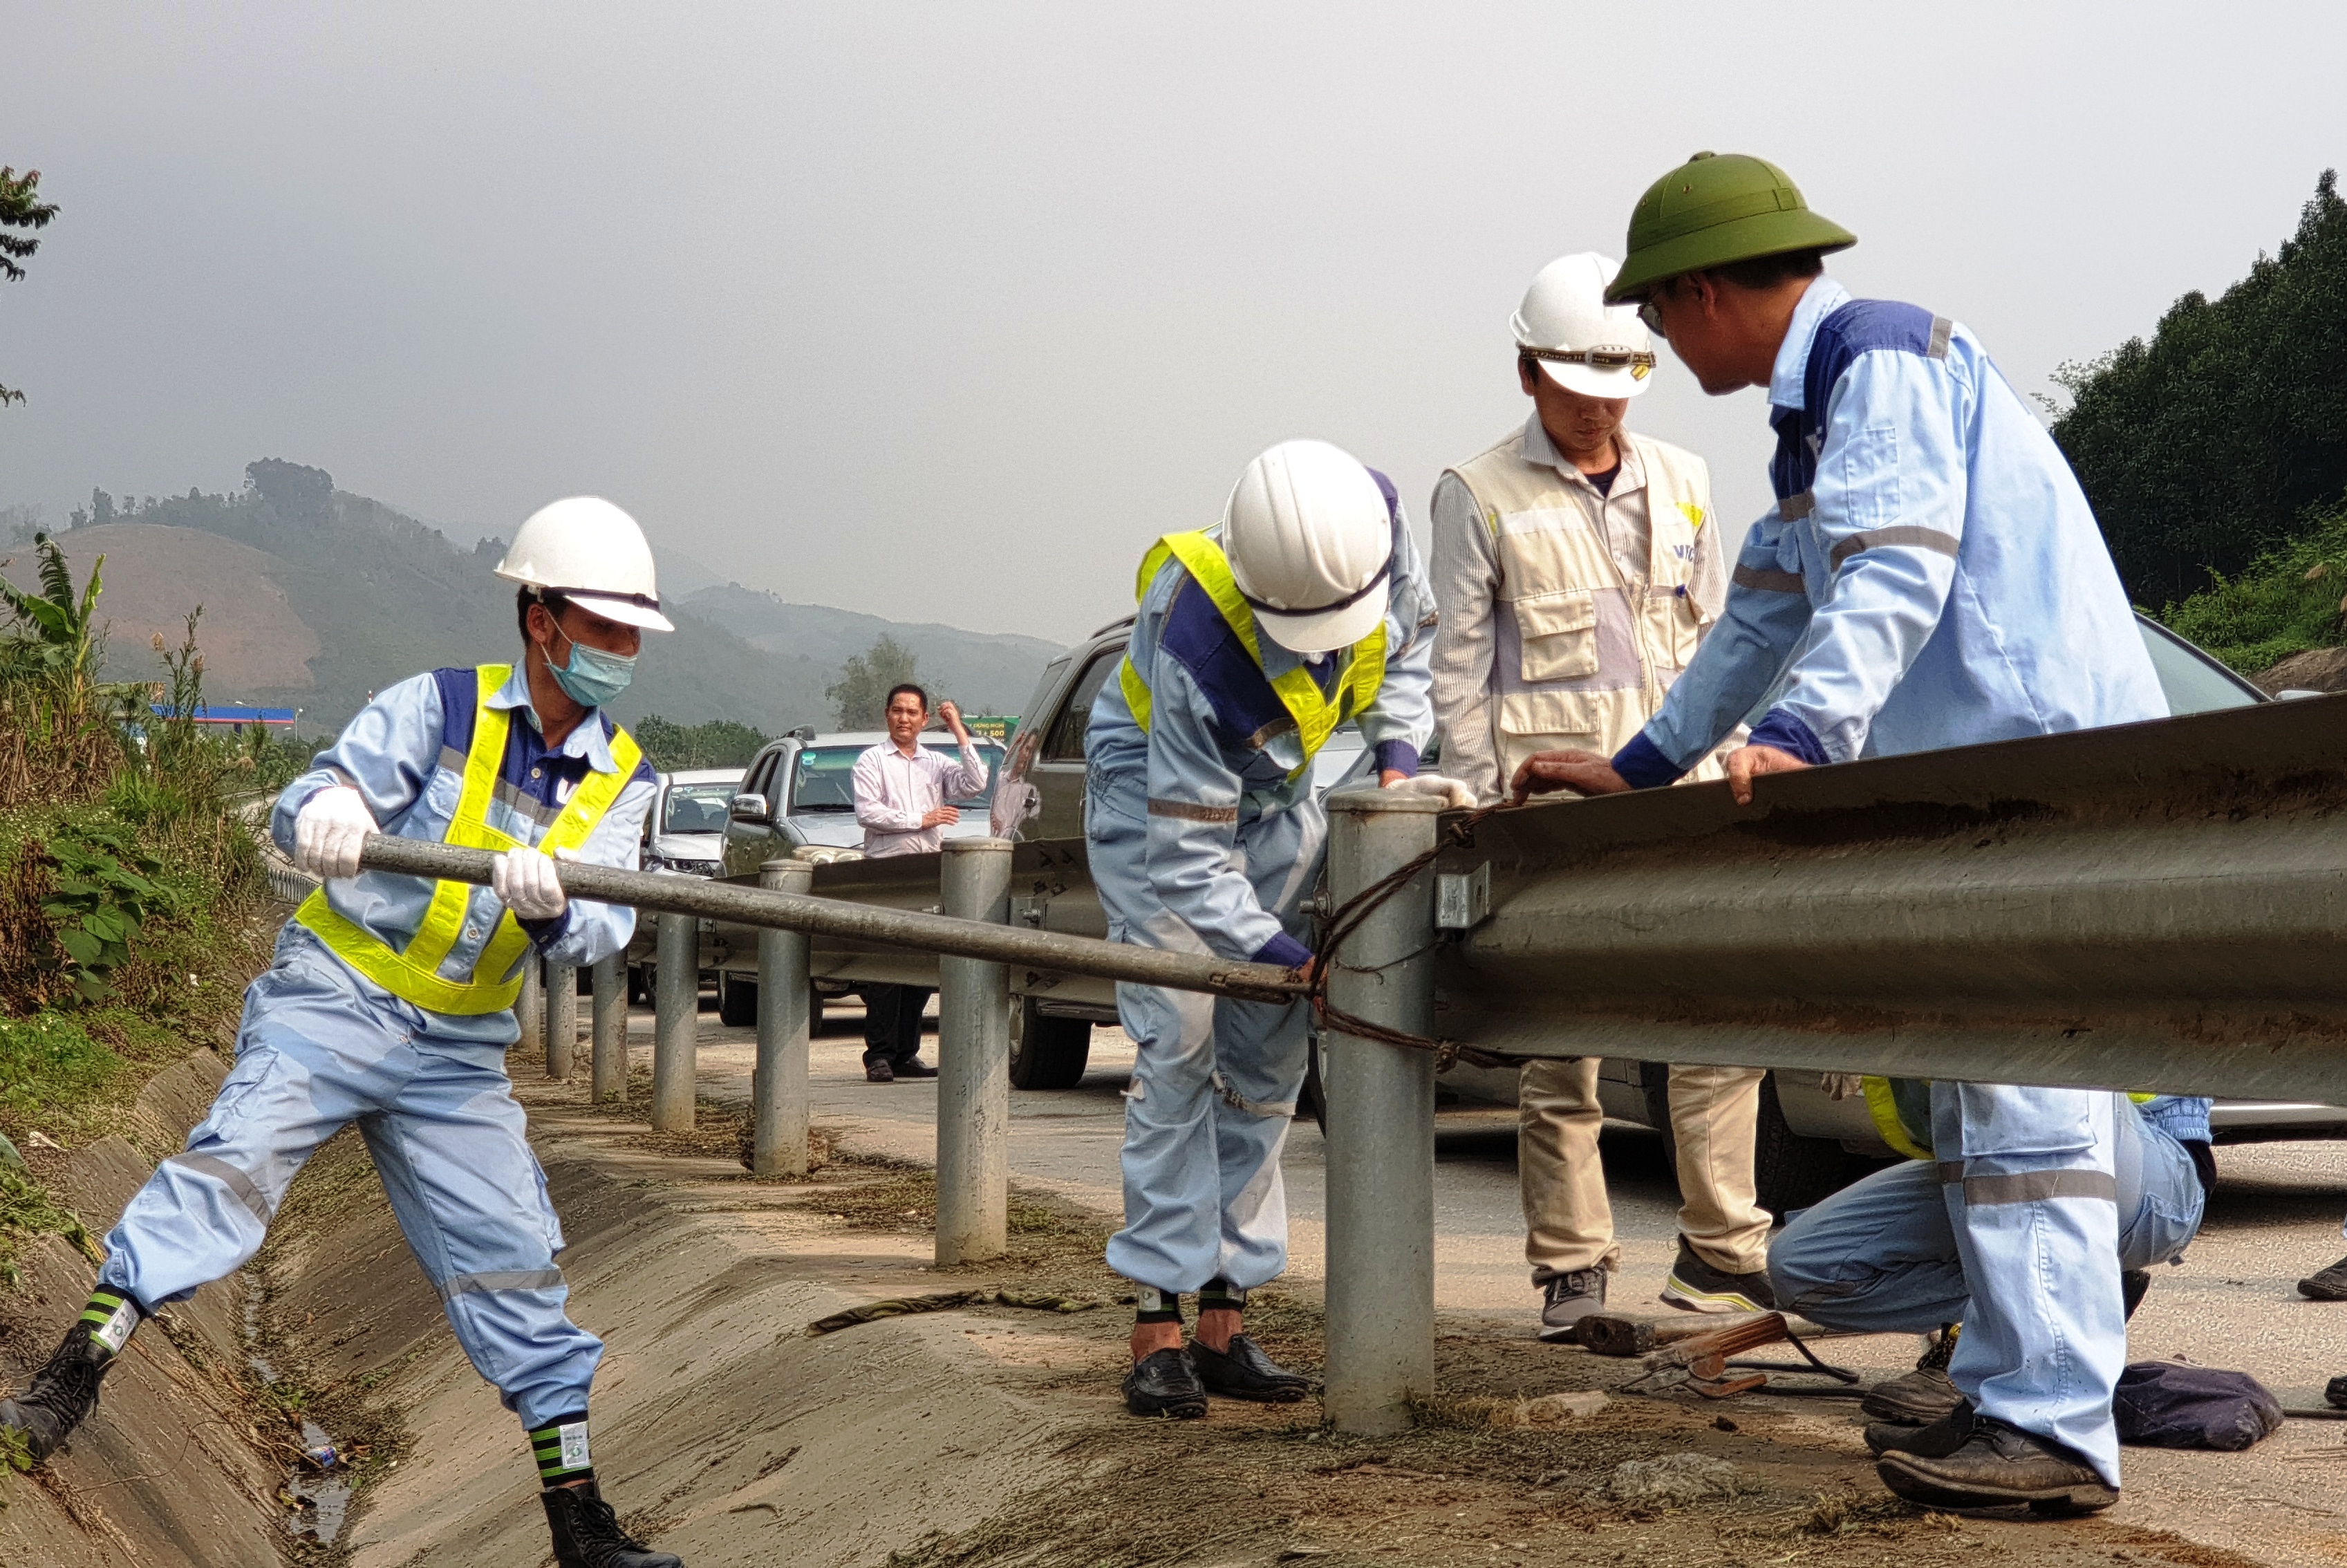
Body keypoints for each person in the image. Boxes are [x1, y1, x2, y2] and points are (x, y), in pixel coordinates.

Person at [1513, 151, 2170, 1515]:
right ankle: (2005, 1383)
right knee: (1978, 1092)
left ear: (1699, 294)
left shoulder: (1882, 361)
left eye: (1655, 313)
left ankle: (2048, 1429)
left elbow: (1891, 577)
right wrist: (1638, 767)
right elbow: (1758, 620)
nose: (1653, 341)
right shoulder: (1815, 418)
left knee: (2016, 1095)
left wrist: (1803, 738)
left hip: (2033, 776)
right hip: (1979, 788)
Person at [0, 497, 684, 1567]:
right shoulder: (439, 707)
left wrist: (557, 904)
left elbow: (604, 923)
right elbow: (323, 794)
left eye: (632, 633)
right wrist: (326, 815)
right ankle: (67, 1381)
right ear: (541, 621)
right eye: (604, 629)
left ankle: (579, 1524)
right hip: (340, 995)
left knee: (513, 1261)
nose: (622, 652)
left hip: (457, 1051)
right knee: (230, 1168)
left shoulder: (625, 778)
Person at [1428, 250, 1771, 1341]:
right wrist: (1480, 810)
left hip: (1680, 796)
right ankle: (1571, 1271)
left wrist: (1739, 749)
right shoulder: (1474, 493)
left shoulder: (1680, 476)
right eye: (1575, 397)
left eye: (1614, 396)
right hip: (1552, 811)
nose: (1595, 419)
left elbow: (1719, 633)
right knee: (1562, 1049)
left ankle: (1721, 1253)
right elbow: (1456, 670)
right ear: (1528, 375)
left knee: (1718, 1026)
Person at [1086, 438, 1450, 1419]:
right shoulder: (1192, 640)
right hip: (1159, 804)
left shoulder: (1369, 526)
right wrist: (1287, 954)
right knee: (1180, 1037)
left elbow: (1405, 646)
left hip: (1281, 785)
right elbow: (1188, 865)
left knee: (1267, 1057)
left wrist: (1396, 758)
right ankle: (1155, 1324)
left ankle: (1223, 1316)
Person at [1769, 1088, 2212, 1457]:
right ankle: (2068, 1297)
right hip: (1999, 1139)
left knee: (2022, 1082)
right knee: (1806, 1265)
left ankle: (2039, 1422)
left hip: (2149, 1160)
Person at [849, 683, 989, 1083]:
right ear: (887, 715)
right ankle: (878, 1054)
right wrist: (922, 820)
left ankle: (906, 1054)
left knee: (920, 967)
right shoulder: (871, 761)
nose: (904, 719)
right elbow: (868, 813)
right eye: (897, 711)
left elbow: (976, 782)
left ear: (925, 719)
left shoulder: (936, 763)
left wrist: (958, 728)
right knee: (886, 968)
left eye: (912, 713)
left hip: (927, 872)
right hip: (887, 871)